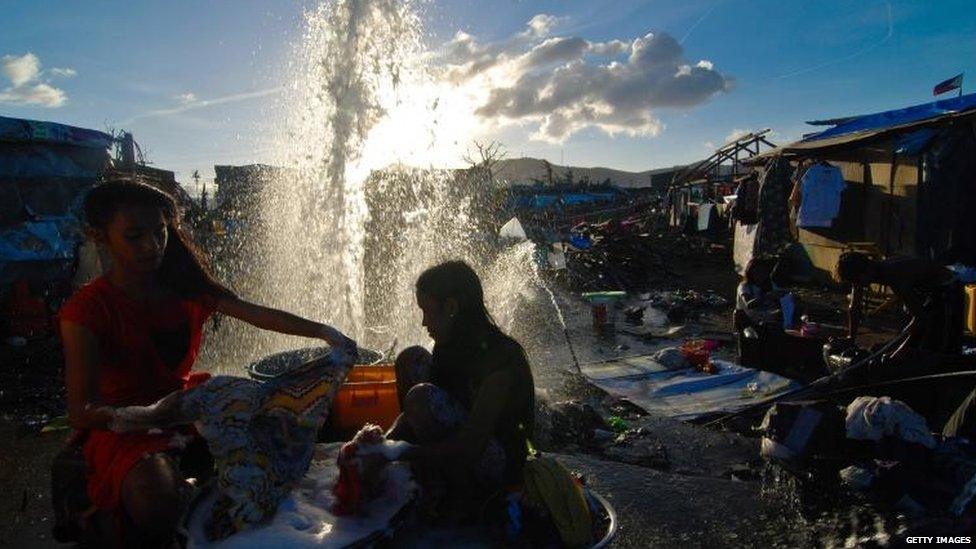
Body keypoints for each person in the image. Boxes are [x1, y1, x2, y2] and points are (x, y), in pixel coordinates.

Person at [58, 180, 351, 546]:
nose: (152, 246)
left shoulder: (186, 288)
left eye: (160, 232)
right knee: (159, 502)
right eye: (135, 236)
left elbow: (257, 314)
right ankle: (103, 524)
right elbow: (81, 410)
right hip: (124, 426)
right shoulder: (86, 310)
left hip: (186, 407)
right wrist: (138, 416)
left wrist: (326, 333)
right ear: (99, 236)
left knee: (277, 449)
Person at [381, 260, 535, 521]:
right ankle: (433, 479)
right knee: (410, 359)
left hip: (500, 467)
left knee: (421, 397)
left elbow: (471, 446)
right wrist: (381, 444)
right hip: (461, 446)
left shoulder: (501, 359)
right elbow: (412, 414)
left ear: (451, 307)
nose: (423, 322)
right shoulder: (449, 345)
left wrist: (399, 453)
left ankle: (466, 499)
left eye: (427, 312)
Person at [834, 252, 964, 354]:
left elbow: (920, 318)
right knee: (914, 341)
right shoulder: (866, 273)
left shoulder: (894, 275)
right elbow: (855, 307)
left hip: (948, 287)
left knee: (940, 347)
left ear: (865, 271)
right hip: (926, 290)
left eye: (856, 281)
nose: (856, 285)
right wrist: (850, 338)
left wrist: (898, 352)